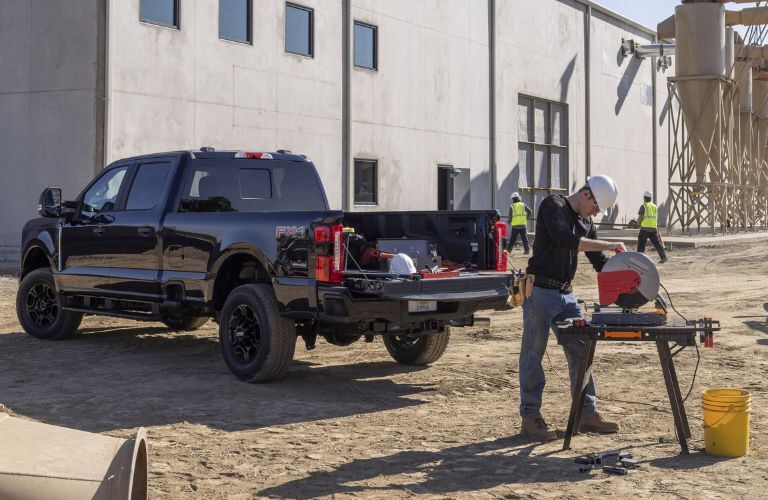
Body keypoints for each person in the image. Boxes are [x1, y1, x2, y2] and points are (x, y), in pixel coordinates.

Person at [520, 175, 626, 441]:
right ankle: (530, 418)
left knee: (582, 349)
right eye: (595, 207)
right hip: (540, 291)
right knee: (534, 353)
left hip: (566, 294)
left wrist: (627, 281)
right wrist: (611, 244)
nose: (595, 213)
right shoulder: (552, 206)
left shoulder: (586, 222)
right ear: (587, 194)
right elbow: (566, 240)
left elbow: (599, 261)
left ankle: (586, 413)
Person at [637, 191, 668, 263]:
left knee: (641, 244)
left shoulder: (644, 206)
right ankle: (664, 257)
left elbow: (640, 217)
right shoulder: (654, 206)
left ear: (644, 198)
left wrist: (639, 223)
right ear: (651, 198)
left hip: (644, 228)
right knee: (657, 244)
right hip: (653, 229)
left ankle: (639, 259)